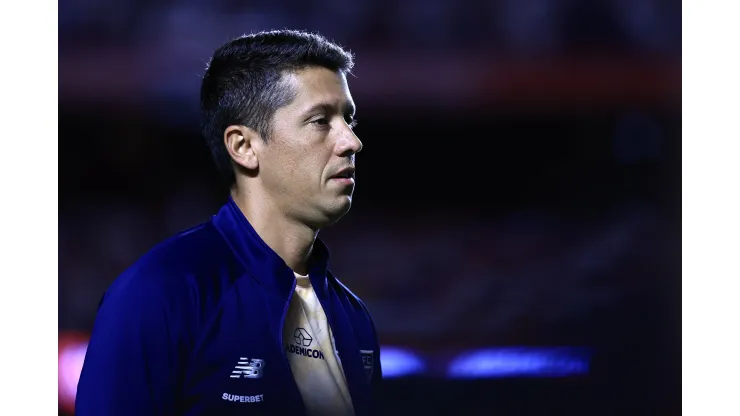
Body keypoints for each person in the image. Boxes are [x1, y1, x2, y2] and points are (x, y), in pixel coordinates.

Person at [75, 29, 382, 416]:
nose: (351, 141)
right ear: (244, 147)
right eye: (321, 120)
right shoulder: (158, 294)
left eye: (348, 119)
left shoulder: (354, 318)